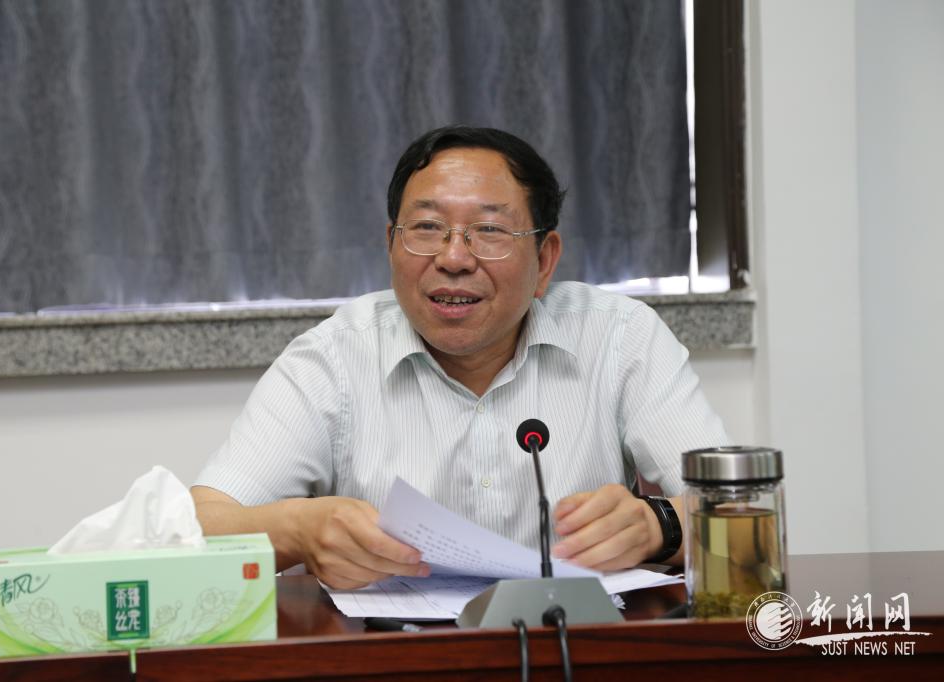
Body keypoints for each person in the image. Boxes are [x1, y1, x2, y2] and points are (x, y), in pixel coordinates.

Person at [191, 125, 729, 589]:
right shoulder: (332, 359)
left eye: (489, 231)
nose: (453, 258)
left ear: (544, 260)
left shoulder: (619, 337)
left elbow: (740, 510)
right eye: (427, 228)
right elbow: (196, 527)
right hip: (392, 653)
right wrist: (296, 531)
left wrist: (659, 527)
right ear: (391, 245)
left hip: (575, 648)